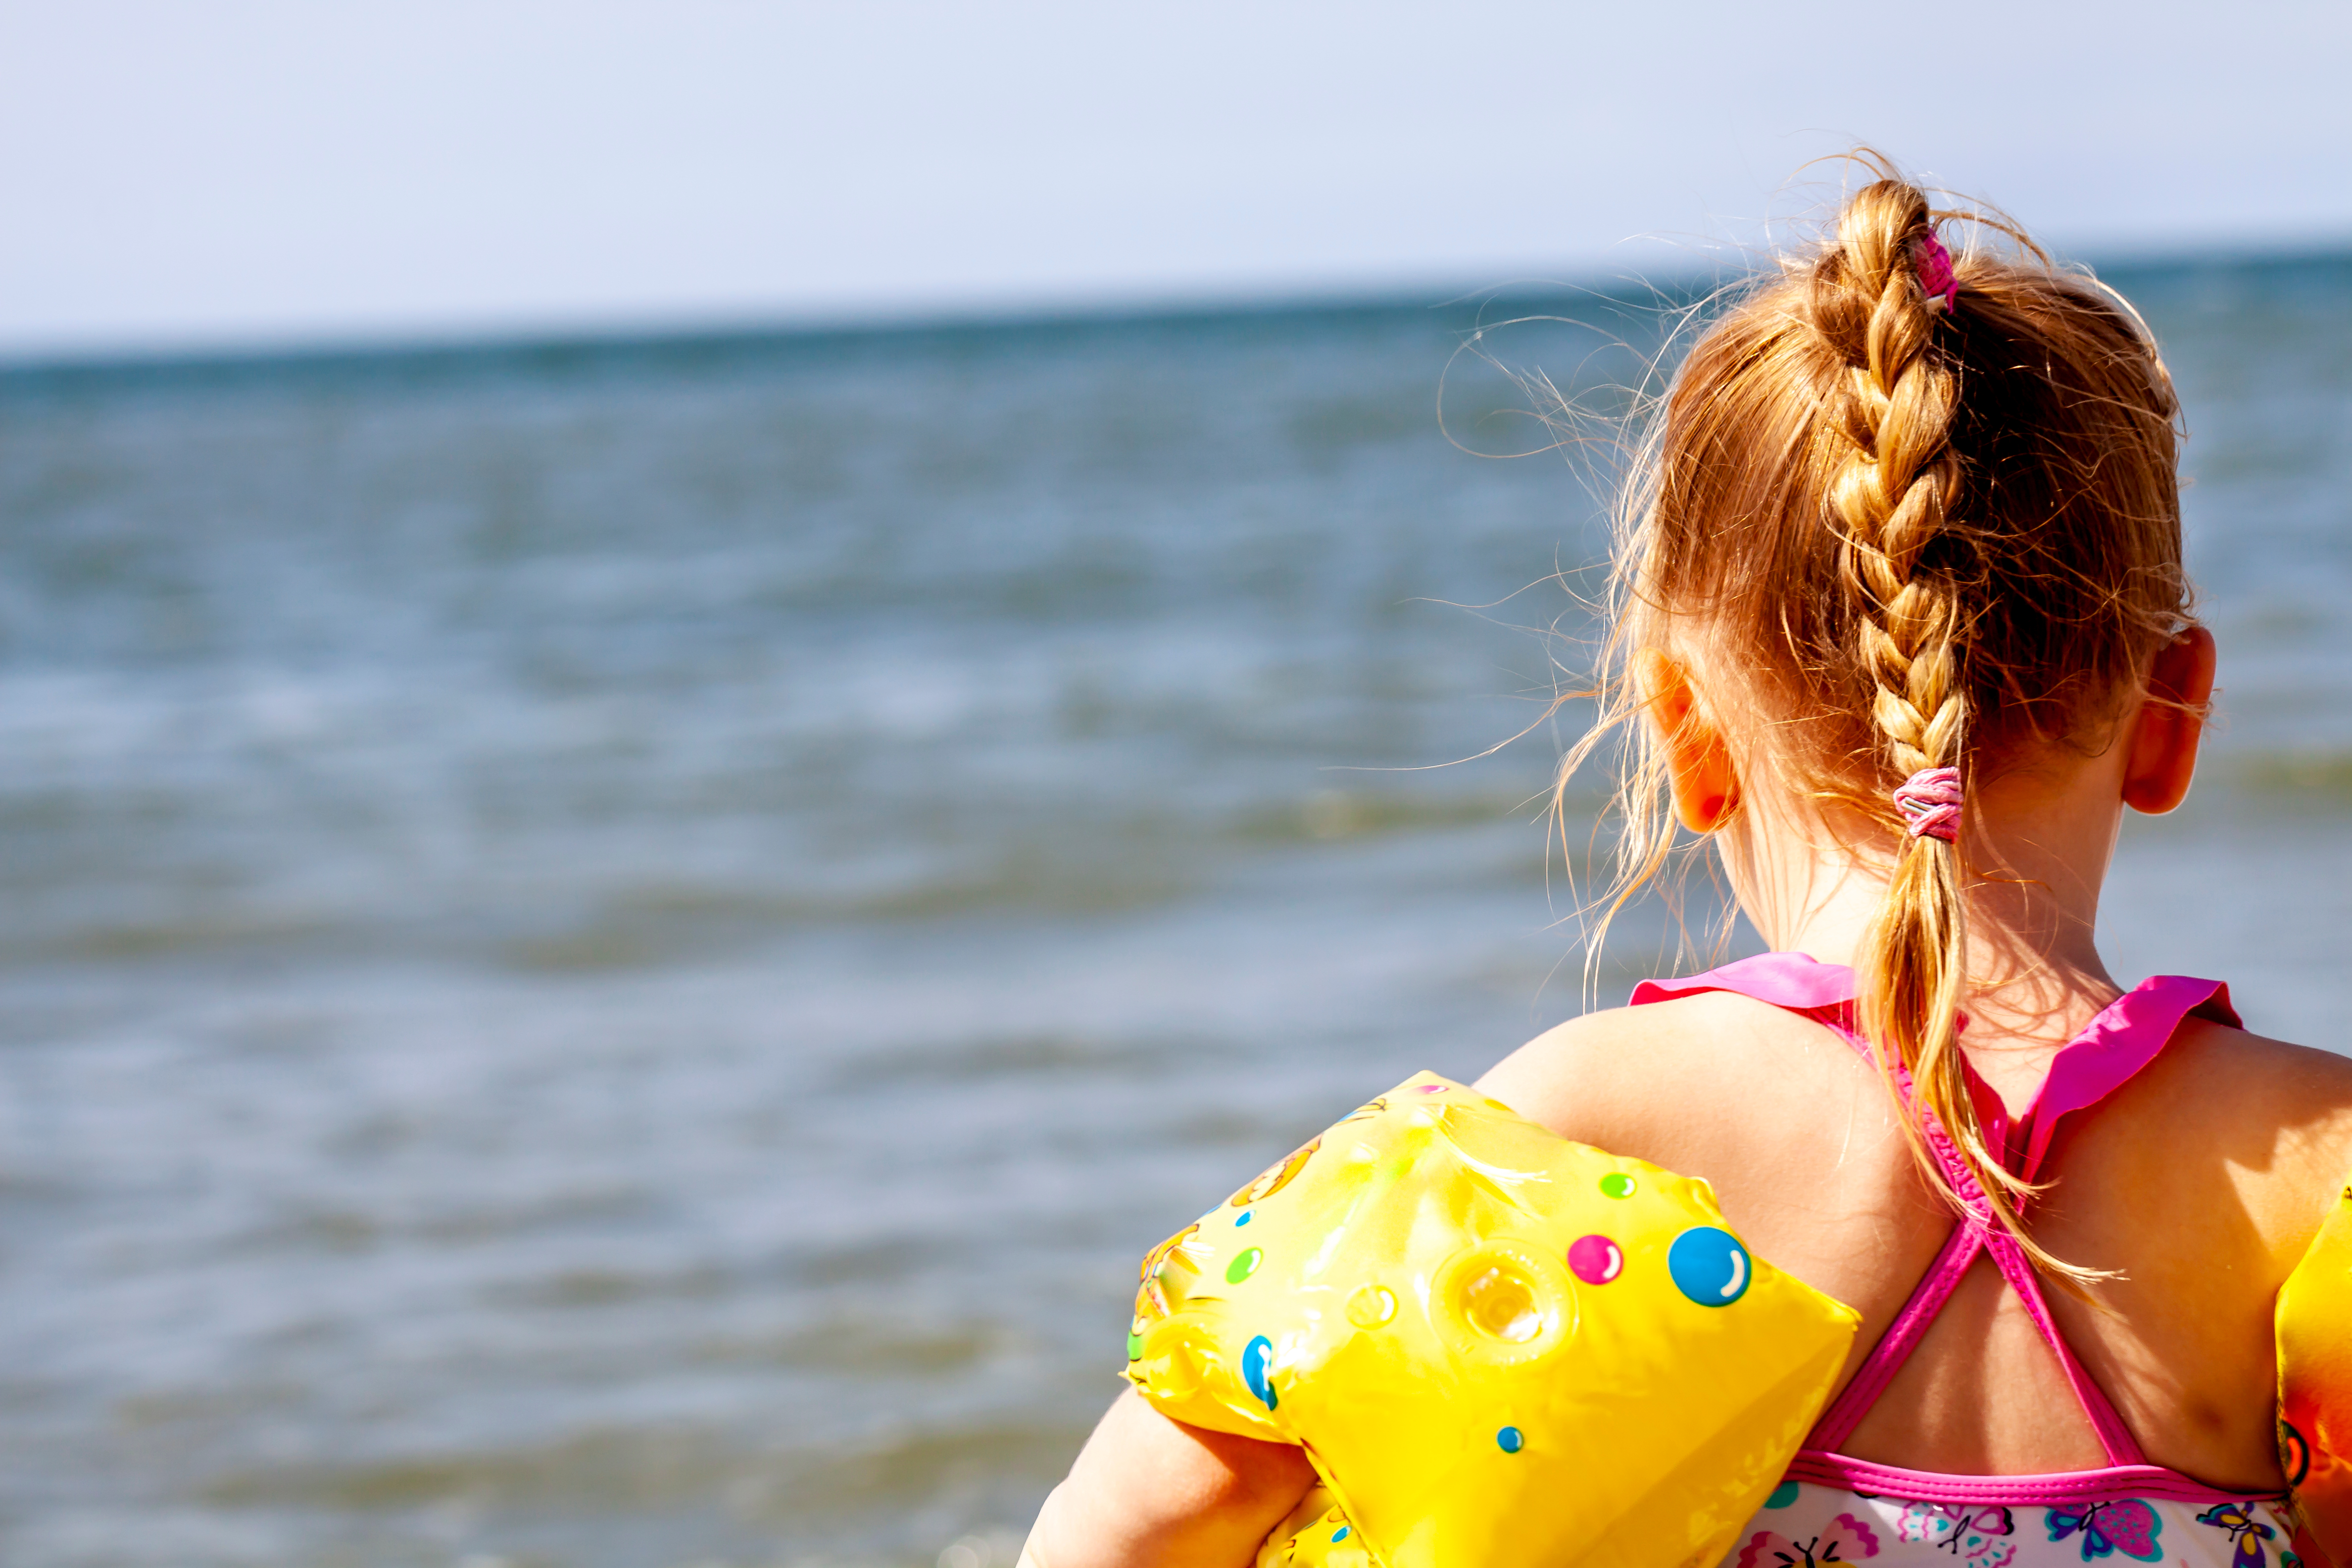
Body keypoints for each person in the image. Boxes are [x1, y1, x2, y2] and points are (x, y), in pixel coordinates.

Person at [1019, 157, 2352, 1568]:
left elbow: (1126, 1532)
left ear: (1687, 738)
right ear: (2172, 720)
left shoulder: (1571, 1137)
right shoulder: (2310, 1177)